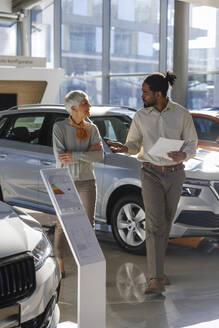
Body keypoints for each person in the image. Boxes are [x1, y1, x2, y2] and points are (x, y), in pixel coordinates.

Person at [107, 71, 198, 294]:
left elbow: (192, 144)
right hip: (150, 174)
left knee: (165, 223)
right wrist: (124, 148)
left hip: (175, 174)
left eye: (145, 92)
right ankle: (155, 278)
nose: (141, 96)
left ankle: (159, 271)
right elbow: (133, 144)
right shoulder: (140, 116)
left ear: (159, 93)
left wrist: (183, 155)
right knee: (155, 223)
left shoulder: (181, 114)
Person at [53, 90, 104, 277]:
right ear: (73, 108)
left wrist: (74, 155)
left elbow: (99, 155)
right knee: (62, 223)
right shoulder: (59, 128)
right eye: (86, 103)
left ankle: (88, 261)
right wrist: (87, 154)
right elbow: (60, 156)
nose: (89, 106)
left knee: (88, 224)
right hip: (63, 181)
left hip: (87, 181)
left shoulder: (92, 129)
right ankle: (59, 260)